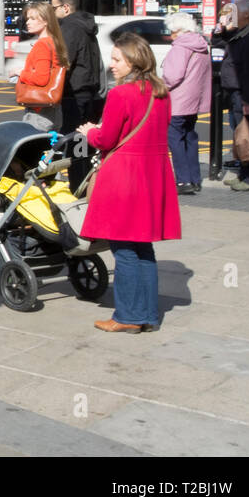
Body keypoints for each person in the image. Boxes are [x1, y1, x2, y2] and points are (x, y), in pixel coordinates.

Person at [76, 34, 180, 333]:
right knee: (143, 247)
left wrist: (90, 133)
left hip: (125, 175)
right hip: (152, 174)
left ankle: (127, 316)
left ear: (134, 61)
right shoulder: (161, 92)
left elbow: (107, 139)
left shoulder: (121, 94)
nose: (111, 65)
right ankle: (147, 314)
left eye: (117, 59)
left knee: (123, 249)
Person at [215, 0, 249, 192]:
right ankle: (245, 174)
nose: (232, 14)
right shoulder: (242, 32)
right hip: (236, 92)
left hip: (245, 94)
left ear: (246, 14)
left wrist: (247, 99)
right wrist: (223, 27)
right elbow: (219, 41)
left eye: (235, 11)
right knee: (241, 134)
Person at [161, 12, 211, 195]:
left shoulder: (180, 47)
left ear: (179, 30)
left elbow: (173, 76)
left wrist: (160, 85)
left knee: (175, 139)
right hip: (194, 101)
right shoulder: (202, 45)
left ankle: (183, 181)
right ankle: (195, 179)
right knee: (190, 137)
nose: (170, 35)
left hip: (178, 101)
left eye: (172, 31)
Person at [51, 0, 102, 130]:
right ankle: (81, 152)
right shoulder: (86, 25)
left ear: (65, 8)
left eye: (54, 8)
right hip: (89, 90)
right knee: (83, 137)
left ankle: (75, 152)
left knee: (71, 136)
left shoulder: (69, 27)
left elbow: (64, 60)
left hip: (73, 93)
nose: (52, 13)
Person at [15, 1, 68, 131]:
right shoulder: (53, 42)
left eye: (33, 18)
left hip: (39, 111)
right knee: (51, 149)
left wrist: (19, 72)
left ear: (46, 21)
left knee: (35, 149)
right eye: (28, 18)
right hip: (52, 109)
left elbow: (41, 79)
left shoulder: (42, 45)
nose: (28, 22)